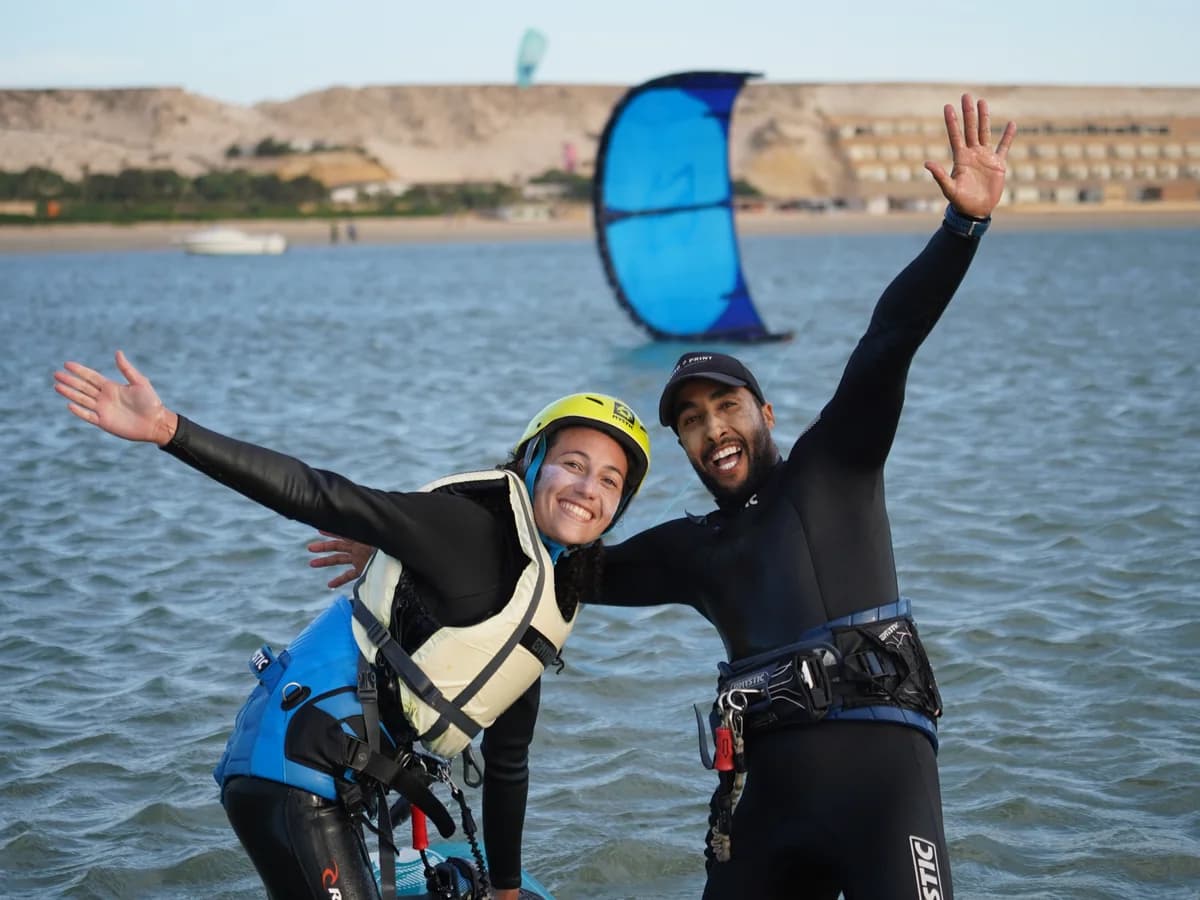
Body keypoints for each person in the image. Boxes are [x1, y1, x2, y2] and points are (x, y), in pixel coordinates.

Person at [311, 92, 1016, 899]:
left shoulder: (836, 466)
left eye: (727, 407)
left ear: (766, 415)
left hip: (883, 790)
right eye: (690, 421)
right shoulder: (693, 552)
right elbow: (547, 563)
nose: (713, 428)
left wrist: (961, 229)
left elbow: (890, 337)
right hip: (764, 813)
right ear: (680, 445)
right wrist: (404, 544)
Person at [52, 353, 651, 900]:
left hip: (329, 777)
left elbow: (509, 762)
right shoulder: (465, 527)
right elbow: (318, 493)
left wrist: (507, 891)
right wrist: (169, 430)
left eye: (608, 481)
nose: (586, 489)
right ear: (534, 462)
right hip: (292, 768)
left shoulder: (544, 601)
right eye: (573, 464)